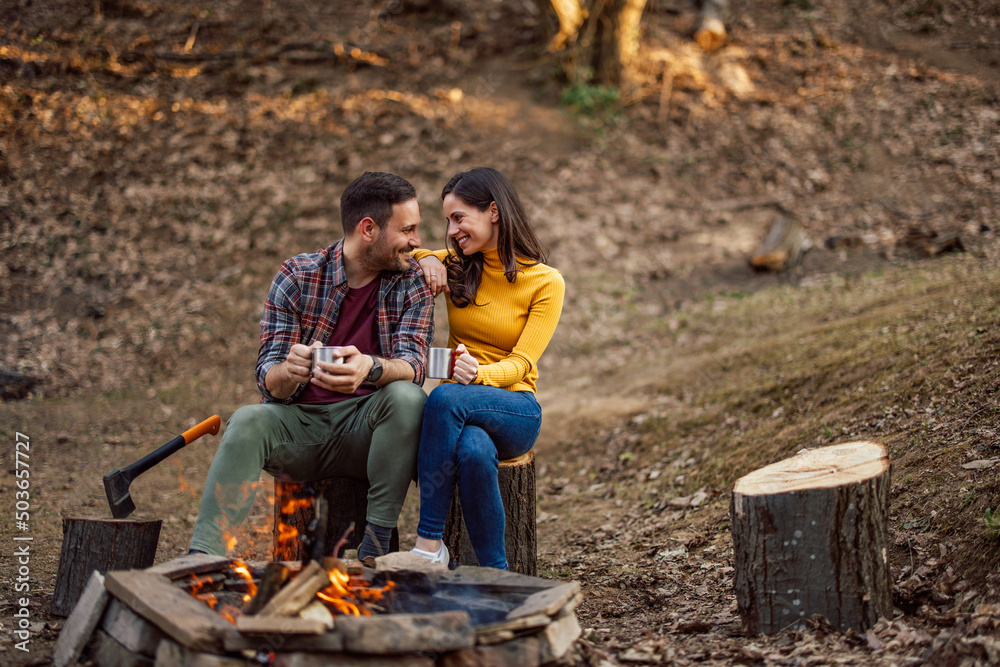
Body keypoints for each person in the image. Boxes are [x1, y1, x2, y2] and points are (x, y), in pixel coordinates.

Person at [188, 171, 434, 560]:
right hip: (302, 428)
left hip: (370, 433)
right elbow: (268, 380)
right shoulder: (298, 276)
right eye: (407, 230)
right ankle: (203, 556)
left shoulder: (411, 280)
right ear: (368, 229)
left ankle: (376, 542)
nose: (417, 241)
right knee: (248, 420)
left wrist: (370, 367)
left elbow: (415, 363)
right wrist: (291, 369)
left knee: (407, 396)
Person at [407, 167, 565, 569]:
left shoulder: (544, 282)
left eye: (459, 218)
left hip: (515, 408)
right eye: (447, 221)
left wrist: (479, 375)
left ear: (493, 211)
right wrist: (427, 259)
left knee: (442, 397)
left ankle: (428, 545)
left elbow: (523, 363)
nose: (452, 230)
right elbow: (406, 251)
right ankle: (497, 573)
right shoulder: (460, 265)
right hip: (465, 406)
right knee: (474, 451)